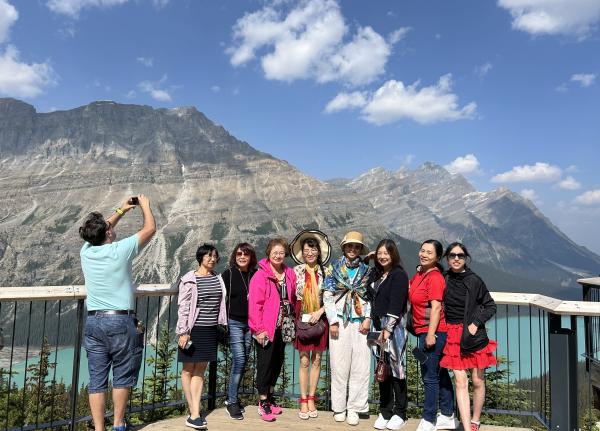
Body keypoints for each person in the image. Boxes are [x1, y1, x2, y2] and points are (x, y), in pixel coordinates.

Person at [79, 194, 156, 431]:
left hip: (94, 322)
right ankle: (119, 424)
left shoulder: (86, 251)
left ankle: (99, 428)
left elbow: (100, 231)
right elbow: (150, 229)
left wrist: (121, 210)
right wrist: (144, 206)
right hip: (121, 321)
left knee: (97, 380)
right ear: (109, 233)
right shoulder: (120, 250)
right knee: (122, 376)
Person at [440, 242, 497, 431]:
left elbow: (490, 306)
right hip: (451, 334)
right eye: (453, 255)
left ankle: (475, 420)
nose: (456, 258)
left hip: (473, 334)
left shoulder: (474, 280)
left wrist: (475, 324)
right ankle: (467, 427)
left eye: (461, 255)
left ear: (466, 258)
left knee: (478, 380)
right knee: (460, 381)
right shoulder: (444, 277)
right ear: (447, 258)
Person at [176, 244, 228, 430]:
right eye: (208, 256)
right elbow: (184, 307)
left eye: (215, 256)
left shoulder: (218, 278)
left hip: (210, 330)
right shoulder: (189, 280)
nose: (212, 259)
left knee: (200, 371)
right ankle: (194, 413)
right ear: (200, 258)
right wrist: (183, 332)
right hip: (193, 330)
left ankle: (195, 411)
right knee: (187, 370)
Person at [323, 231, 372, 426]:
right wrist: (333, 321)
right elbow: (328, 296)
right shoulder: (333, 268)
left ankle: (354, 408)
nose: (353, 249)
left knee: (361, 365)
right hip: (340, 321)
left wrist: (367, 318)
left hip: (360, 322)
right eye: (350, 246)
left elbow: (371, 297)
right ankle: (339, 407)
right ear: (344, 247)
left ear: (360, 250)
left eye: (357, 247)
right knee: (338, 365)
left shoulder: (367, 271)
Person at [409, 240, 458, 431]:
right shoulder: (421, 273)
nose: (424, 254)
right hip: (424, 330)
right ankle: (448, 414)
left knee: (429, 377)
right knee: (440, 372)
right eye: (422, 250)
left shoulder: (435, 277)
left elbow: (436, 307)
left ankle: (429, 419)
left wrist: (431, 335)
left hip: (433, 332)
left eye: (429, 253)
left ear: (437, 257)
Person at [248, 238, 297, 422]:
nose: (278, 255)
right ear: (268, 253)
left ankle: (269, 397)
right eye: (275, 252)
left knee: (277, 363)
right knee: (265, 364)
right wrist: (258, 329)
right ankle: (262, 402)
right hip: (266, 328)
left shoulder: (289, 273)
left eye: (281, 252)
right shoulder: (260, 276)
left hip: (284, 327)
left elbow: (293, 296)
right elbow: (255, 305)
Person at [289, 230, 332, 420]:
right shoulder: (296, 271)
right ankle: (303, 400)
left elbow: (331, 296)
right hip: (302, 316)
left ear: (319, 252)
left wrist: (320, 311)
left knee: (317, 360)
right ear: (302, 252)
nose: (310, 253)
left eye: (313, 250)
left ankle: (312, 398)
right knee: (304, 360)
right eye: (306, 250)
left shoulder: (326, 271)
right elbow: (290, 295)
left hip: (320, 316)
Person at [369, 239, 409, 431]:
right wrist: (368, 259)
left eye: (386, 253)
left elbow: (396, 303)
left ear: (393, 254)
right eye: (379, 253)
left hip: (393, 328)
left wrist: (388, 329)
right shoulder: (377, 273)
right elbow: (369, 293)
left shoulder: (398, 275)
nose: (383, 257)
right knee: (382, 368)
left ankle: (400, 413)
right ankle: (385, 410)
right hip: (377, 326)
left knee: (396, 368)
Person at [221, 243, 258, 420]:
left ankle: (232, 398)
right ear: (234, 256)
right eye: (239, 254)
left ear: (251, 257)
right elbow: (220, 297)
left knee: (243, 361)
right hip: (234, 322)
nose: (242, 257)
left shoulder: (256, 274)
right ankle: (232, 401)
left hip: (251, 324)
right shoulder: (228, 274)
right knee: (240, 359)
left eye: (245, 254)